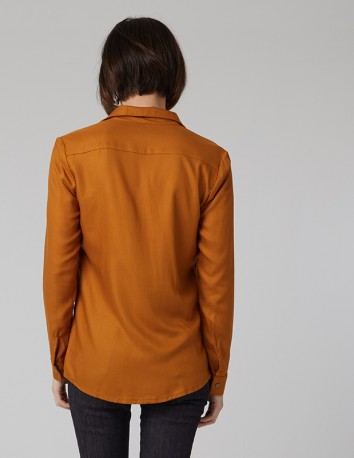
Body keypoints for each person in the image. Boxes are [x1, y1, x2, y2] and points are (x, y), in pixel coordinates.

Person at [42, 16, 235, 458]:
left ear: (111, 74)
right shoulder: (210, 160)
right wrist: (218, 375)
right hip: (180, 366)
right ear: (174, 72)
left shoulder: (72, 152)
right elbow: (217, 284)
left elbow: (59, 271)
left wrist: (59, 359)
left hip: (95, 358)